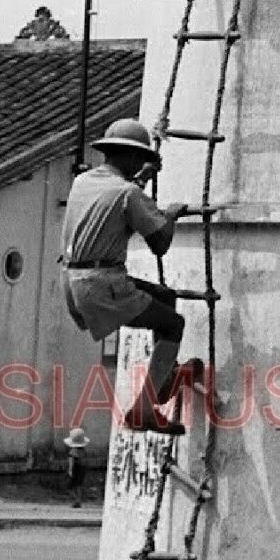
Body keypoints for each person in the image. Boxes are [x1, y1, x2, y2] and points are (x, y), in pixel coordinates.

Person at [61, 118, 192, 434]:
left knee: (164, 297)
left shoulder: (84, 181)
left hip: (74, 280)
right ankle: (144, 409)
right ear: (133, 158)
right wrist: (170, 215)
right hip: (103, 283)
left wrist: (141, 180)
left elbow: (114, 202)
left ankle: (161, 377)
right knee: (173, 324)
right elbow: (160, 243)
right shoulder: (129, 193)